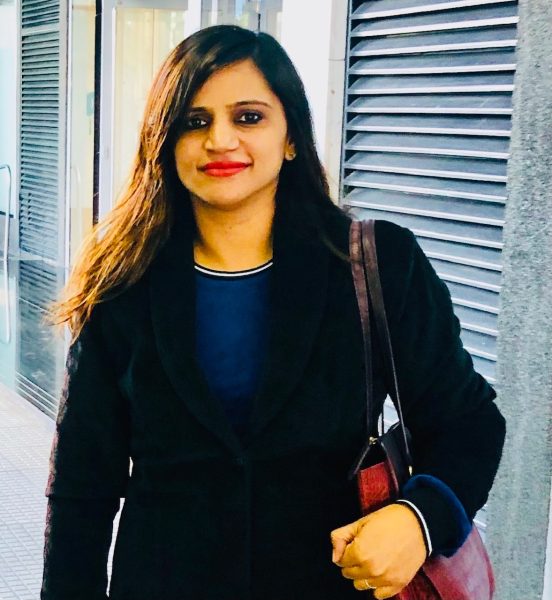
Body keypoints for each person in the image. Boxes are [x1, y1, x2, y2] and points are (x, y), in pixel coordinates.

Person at [41, 25, 505, 600]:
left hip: (330, 584)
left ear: (290, 138)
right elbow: (82, 485)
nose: (220, 140)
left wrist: (419, 519)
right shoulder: (124, 282)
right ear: (166, 142)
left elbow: (468, 421)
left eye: (249, 117)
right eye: (194, 121)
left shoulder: (376, 263)